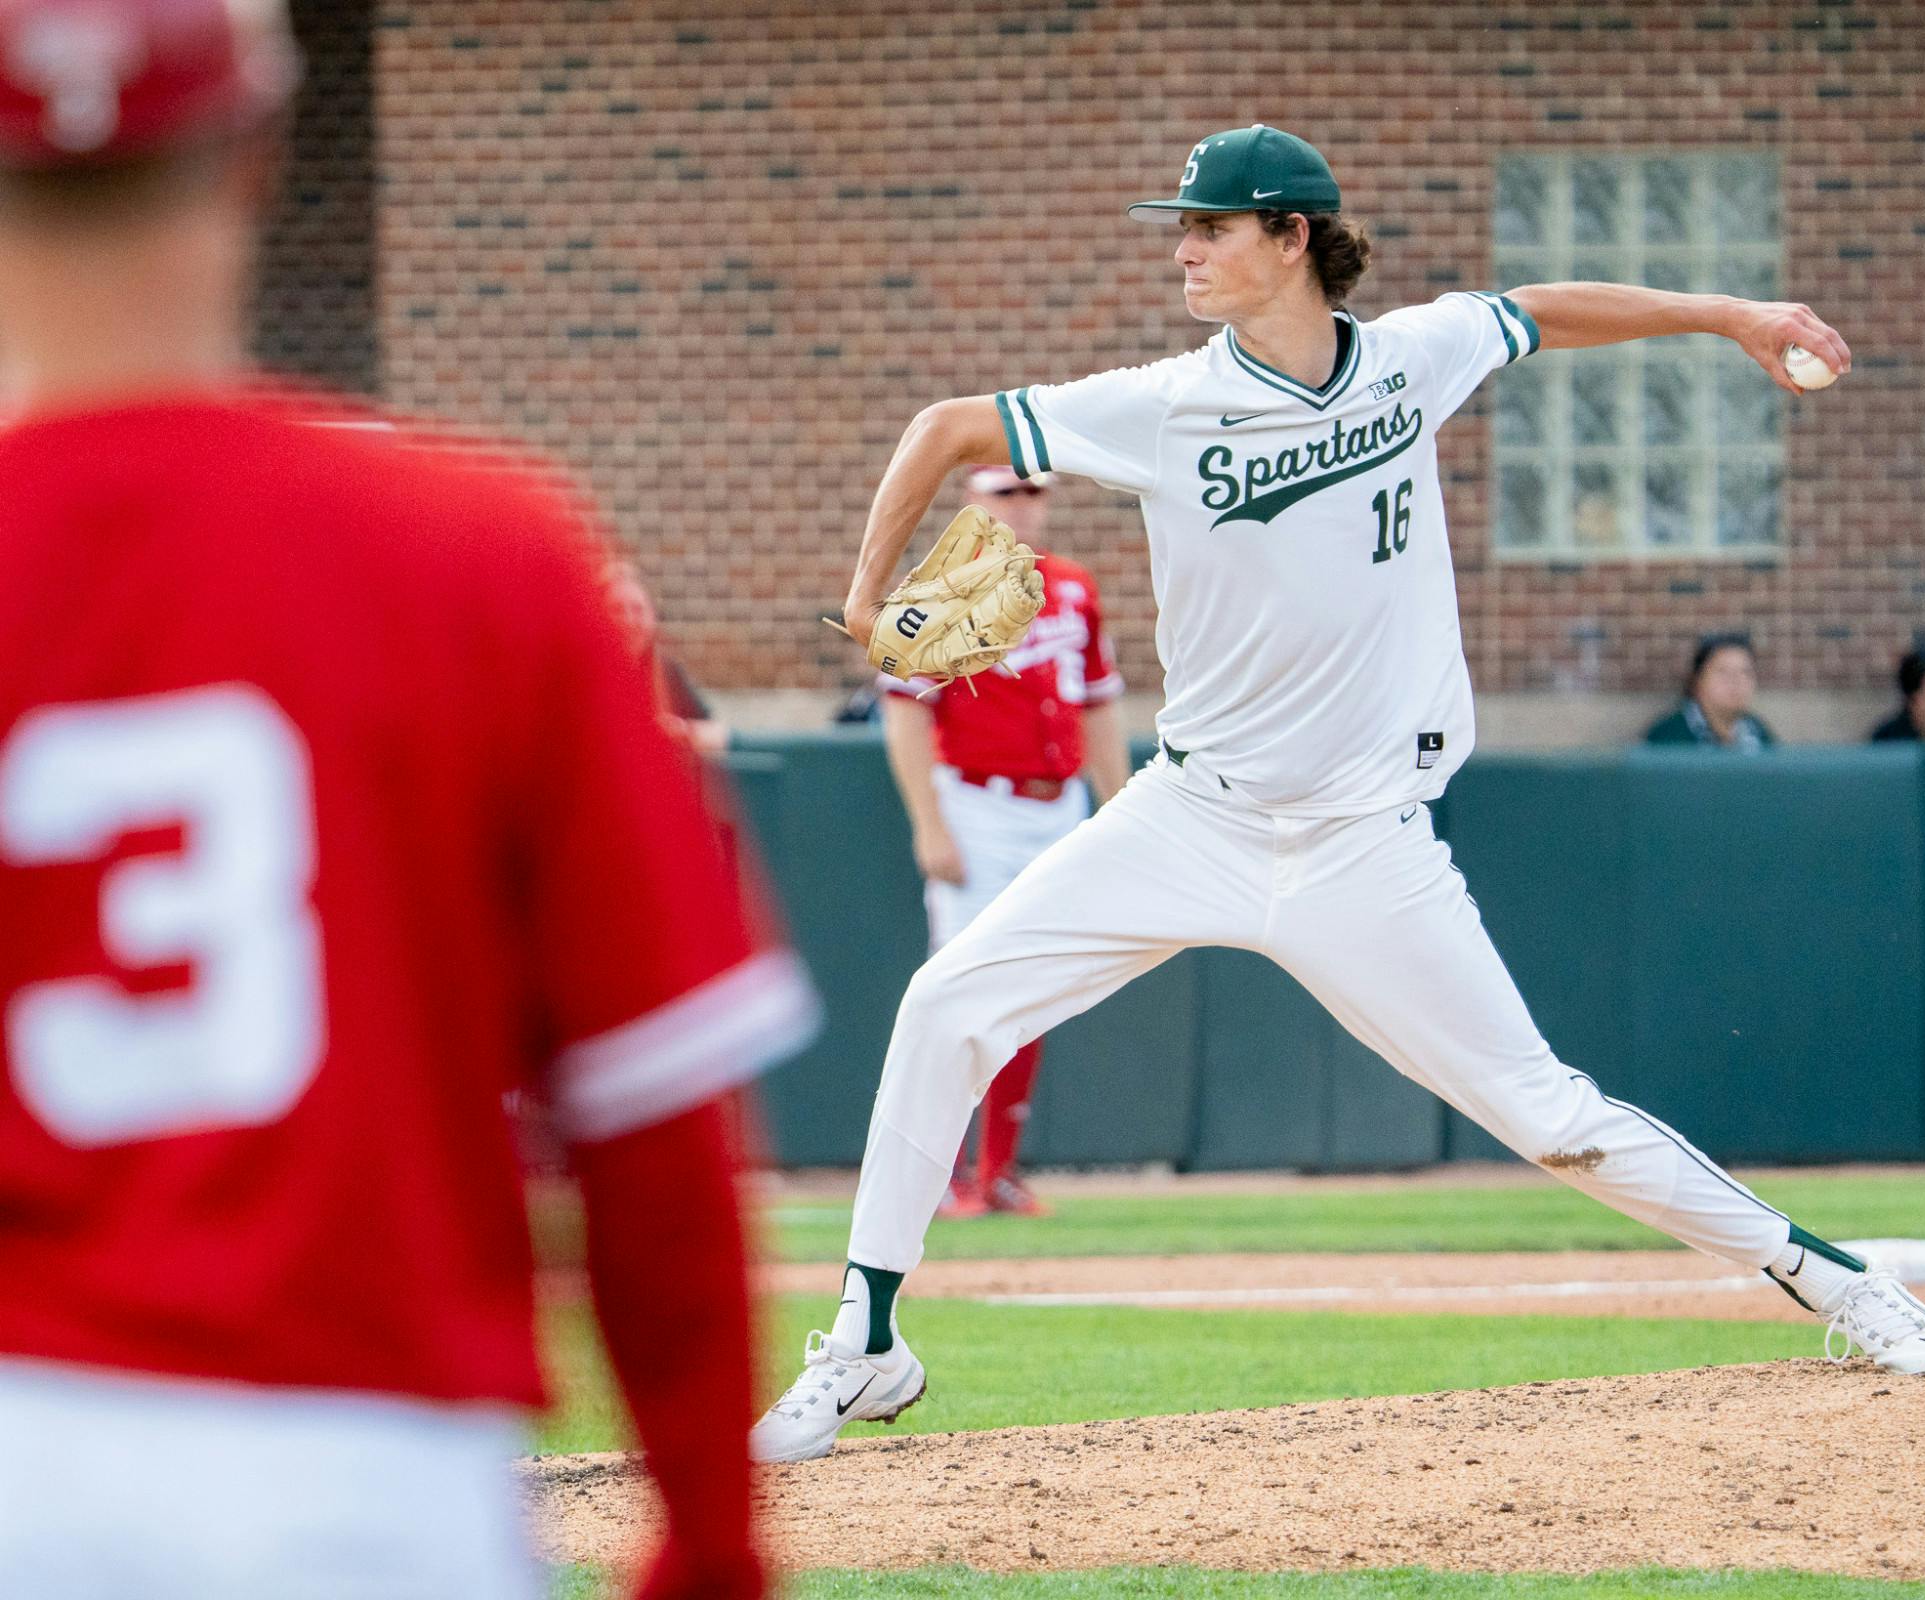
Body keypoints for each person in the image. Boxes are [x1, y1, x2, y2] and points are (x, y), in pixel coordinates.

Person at [751, 122, 1925, 1465]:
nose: (1185, 247)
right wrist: (868, 592)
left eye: (1212, 226)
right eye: (1184, 225)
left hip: (1364, 850)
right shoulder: (1163, 402)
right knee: (946, 1003)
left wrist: (1727, 311)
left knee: (1552, 1118)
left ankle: (1842, 1285)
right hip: (1190, 817)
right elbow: (946, 425)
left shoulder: (1410, 358)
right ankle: (867, 1342)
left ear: (1292, 238)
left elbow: (1543, 313)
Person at [0, 3, 816, 1594]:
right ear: (258, 156)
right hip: (372, 1479)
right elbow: (655, 1128)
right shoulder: (487, 550)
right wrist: (712, 1538)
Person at [880, 466, 1129, 1218]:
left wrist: (1118, 809)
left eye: (1034, 492)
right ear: (972, 502)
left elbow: (1100, 704)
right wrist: (929, 821)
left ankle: (998, 1172)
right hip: (978, 805)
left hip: (1059, 805)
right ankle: (944, 1171)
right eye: (1006, 493)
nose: (1024, 505)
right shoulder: (938, 591)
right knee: (961, 990)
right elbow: (907, 713)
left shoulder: (1074, 586)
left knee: (1035, 989)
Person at [605, 557, 732, 755]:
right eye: (617, 610)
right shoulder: (580, 673)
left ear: (653, 617)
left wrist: (683, 731)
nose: (629, 621)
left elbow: (717, 733)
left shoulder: (666, 671)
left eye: (638, 610)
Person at [1644, 634, 1777, 749]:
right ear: (1697, 681)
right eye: (1723, 672)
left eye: (1746, 672)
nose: (1737, 681)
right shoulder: (1668, 737)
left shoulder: (1757, 731)